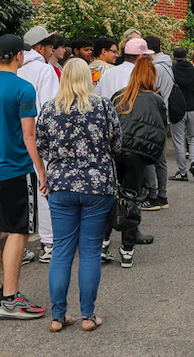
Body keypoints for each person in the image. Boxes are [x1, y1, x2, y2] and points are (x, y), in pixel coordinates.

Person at [35, 58, 121, 333]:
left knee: (61, 251)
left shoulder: (50, 108)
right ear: (89, 78)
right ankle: (88, 316)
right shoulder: (103, 105)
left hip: (61, 185)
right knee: (90, 252)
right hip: (97, 186)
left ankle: (58, 316)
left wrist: (60, 163)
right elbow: (117, 143)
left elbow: (42, 146)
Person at [0, 34, 48, 320]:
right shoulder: (23, 88)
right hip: (16, 169)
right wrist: (40, 170)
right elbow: (29, 135)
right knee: (18, 230)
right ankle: (10, 299)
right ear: (19, 56)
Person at [107, 51, 167, 268]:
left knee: (110, 196)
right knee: (131, 198)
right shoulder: (156, 100)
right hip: (138, 155)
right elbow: (162, 130)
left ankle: (104, 243)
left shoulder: (118, 96)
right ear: (151, 77)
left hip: (115, 152)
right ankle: (127, 250)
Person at [17, 26, 59, 264]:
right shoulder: (45, 70)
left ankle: (18, 247)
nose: (52, 50)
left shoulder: (14, 69)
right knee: (43, 189)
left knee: (19, 192)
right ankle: (48, 244)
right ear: (40, 47)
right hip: (37, 138)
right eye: (50, 46)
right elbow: (49, 108)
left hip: (13, 139)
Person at [141, 36, 174, 211]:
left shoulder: (155, 68)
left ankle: (152, 196)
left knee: (149, 157)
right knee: (160, 158)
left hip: (153, 117)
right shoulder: (167, 65)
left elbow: (149, 90)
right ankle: (162, 195)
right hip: (165, 116)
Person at [169, 47, 194, 181]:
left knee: (179, 141)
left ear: (174, 58)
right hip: (193, 108)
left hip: (177, 110)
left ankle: (182, 171)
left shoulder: (172, 72)